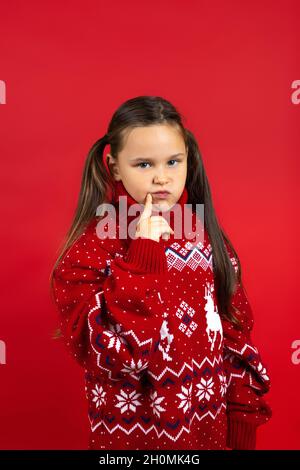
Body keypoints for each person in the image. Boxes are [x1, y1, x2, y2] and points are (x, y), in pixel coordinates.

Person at [49, 95, 272, 450]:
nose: (161, 177)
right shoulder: (91, 250)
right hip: (134, 441)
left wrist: (242, 420)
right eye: (143, 165)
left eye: (173, 161)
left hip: (209, 435)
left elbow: (236, 334)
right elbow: (118, 358)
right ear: (115, 166)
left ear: (188, 161)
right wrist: (142, 259)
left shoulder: (206, 236)